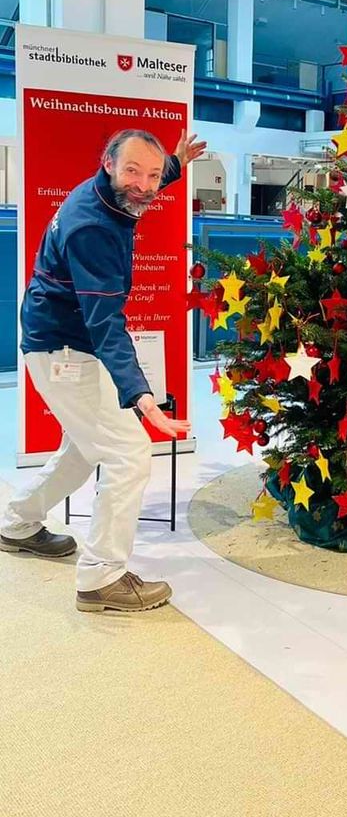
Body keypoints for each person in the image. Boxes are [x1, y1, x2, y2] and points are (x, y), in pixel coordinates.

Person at [0, 128, 206, 613]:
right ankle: (100, 578)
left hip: (61, 338)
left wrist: (172, 164)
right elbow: (105, 322)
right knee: (129, 453)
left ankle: (16, 523)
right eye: (133, 170)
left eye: (154, 175)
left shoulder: (109, 191)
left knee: (83, 450)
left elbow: (142, 181)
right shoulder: (93, 227)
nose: (145, 185)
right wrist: (142, 396)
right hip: (64, 348)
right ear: (108, 163)